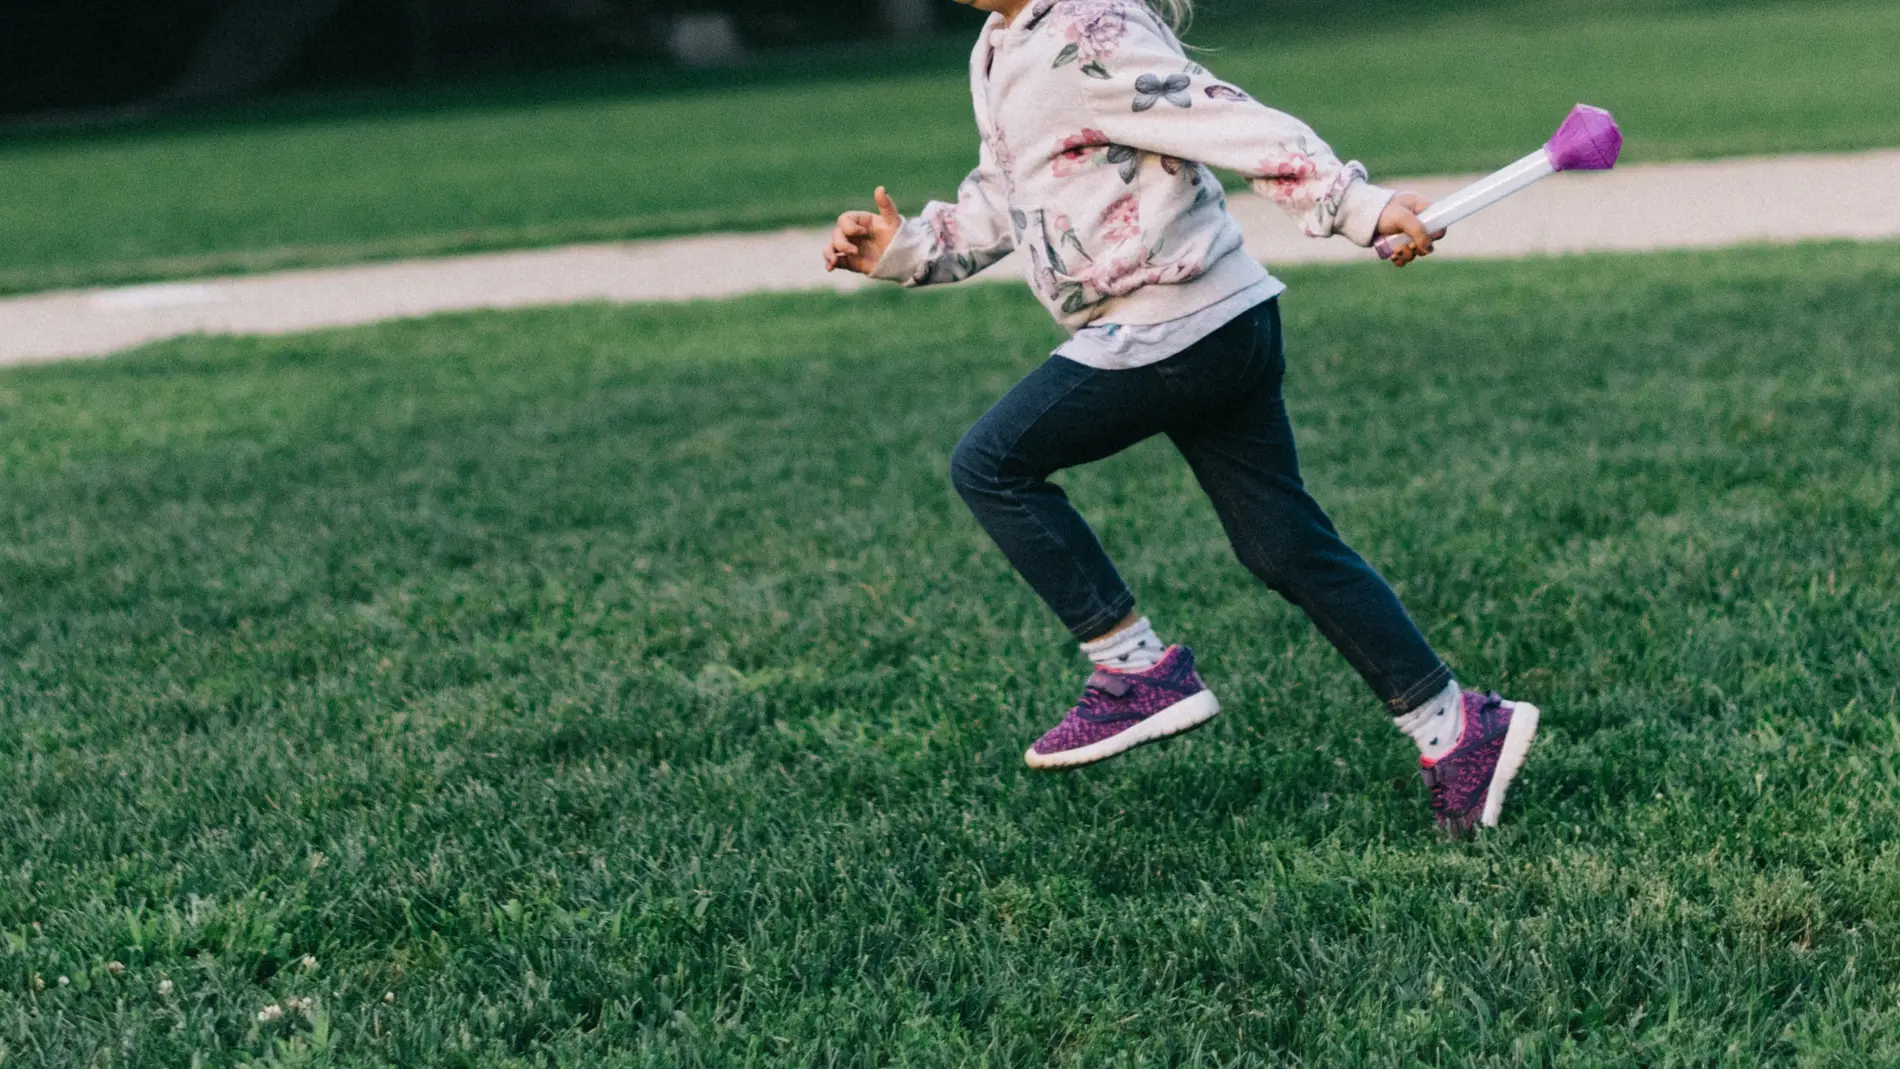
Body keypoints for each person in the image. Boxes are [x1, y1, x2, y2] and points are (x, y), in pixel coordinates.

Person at [822, 0, 1537, 835]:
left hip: (1174, 321)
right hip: (1218, 321)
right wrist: (905, 248)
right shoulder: (1001, 48)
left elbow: (1222, 117)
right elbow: (1004, 193)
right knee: (1283, 546)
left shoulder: (1088, 32)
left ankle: (1135, 669)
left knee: (992, 463)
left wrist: (1356, 204)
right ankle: (1458, 730)